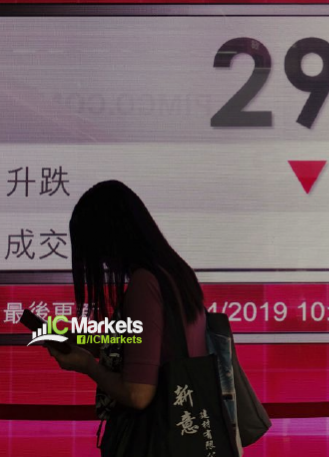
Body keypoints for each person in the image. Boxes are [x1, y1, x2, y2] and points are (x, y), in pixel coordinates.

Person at [46, 180, 209, 450]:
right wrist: (88, 342)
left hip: (156, 442)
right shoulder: (176, 273)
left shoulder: (145, 283)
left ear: (109, 238)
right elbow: (157, 348)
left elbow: (138, 394)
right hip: (187, 433)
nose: (100, 262)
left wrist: (87, 365)